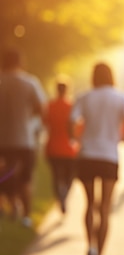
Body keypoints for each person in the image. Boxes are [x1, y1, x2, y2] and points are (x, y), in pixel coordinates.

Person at [70, 62, 124, 255]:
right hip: (109, 156)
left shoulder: (85, 97)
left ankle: (90, 247)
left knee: (89, 204)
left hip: (87, 154)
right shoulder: (122, 98)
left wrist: (76, 140)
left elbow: (72, 120)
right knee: (105, 208)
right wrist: (121, 137)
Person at [0, 48, 47, 227]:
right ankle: (26, 215)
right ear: (20, 62)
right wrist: (31, 119)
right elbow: (41, 108)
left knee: (4, 174)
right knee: (25, 178)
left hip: (2, 139)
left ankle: (8, 205)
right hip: (24, 138)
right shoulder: (30, 82)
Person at [44, 75, 79, 215]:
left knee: (56, 176)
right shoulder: (72, 107)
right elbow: (77, 127)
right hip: (69, 148)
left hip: (52, 147)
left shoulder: (49, 106)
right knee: (70, 176)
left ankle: (60, 196)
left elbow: (45, 123)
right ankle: (64, 195)